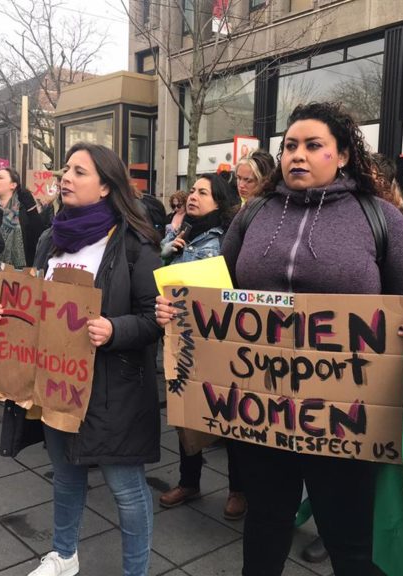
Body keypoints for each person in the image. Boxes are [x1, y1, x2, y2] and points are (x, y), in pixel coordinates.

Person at [156, 102, 403, 576]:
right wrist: (177, 311)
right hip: (263, 412)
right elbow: (216, 289)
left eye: (313, 146)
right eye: (289, 146)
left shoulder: (381, 219)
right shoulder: (256, 213)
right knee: (265, 522)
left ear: (342, 154)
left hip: (345, 417)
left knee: (347, 536)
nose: (297, 155)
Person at [0, 142, 162, 576]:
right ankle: (63, 555)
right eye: (66, 169)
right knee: (65, 475)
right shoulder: (51, 238)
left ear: (105, 187)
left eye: (79, 171)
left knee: (126, 489)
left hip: (112, 389)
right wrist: (6, 313)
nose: (65, 177)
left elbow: (153, 319)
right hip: (57, 382)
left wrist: (114, 329)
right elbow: (37, 304)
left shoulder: (135, 244)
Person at [157, 174, 246, 519]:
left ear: (219, 201)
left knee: (229, 414)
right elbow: (162, 280)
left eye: (202, 192)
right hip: (183, 337)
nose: (193, 196)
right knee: (187, 411)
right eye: (192, 190)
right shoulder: (178, 232)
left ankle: (238, 489)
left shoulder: (226, 239)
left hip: (219, 338)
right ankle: (189, 481)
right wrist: (165, 255)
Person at [0, 167, 43, 268]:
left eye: (1, 178)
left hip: (20, 273)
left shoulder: (23, 209)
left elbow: (38, 235)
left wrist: (32, 210)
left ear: (13, 185)